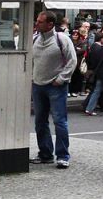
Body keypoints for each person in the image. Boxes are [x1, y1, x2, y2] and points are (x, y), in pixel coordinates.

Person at [31, 11, 77, 168]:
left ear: (50, 24)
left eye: (40, 22)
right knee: (40, 121)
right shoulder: (35, 39)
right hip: (38, 85)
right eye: (37, 21)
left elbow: (72, 61)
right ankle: (45, 154)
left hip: (56, 86)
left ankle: (63, 155)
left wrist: (61, 79)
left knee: (59, 121)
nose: (37, 24)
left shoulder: (61, 39)